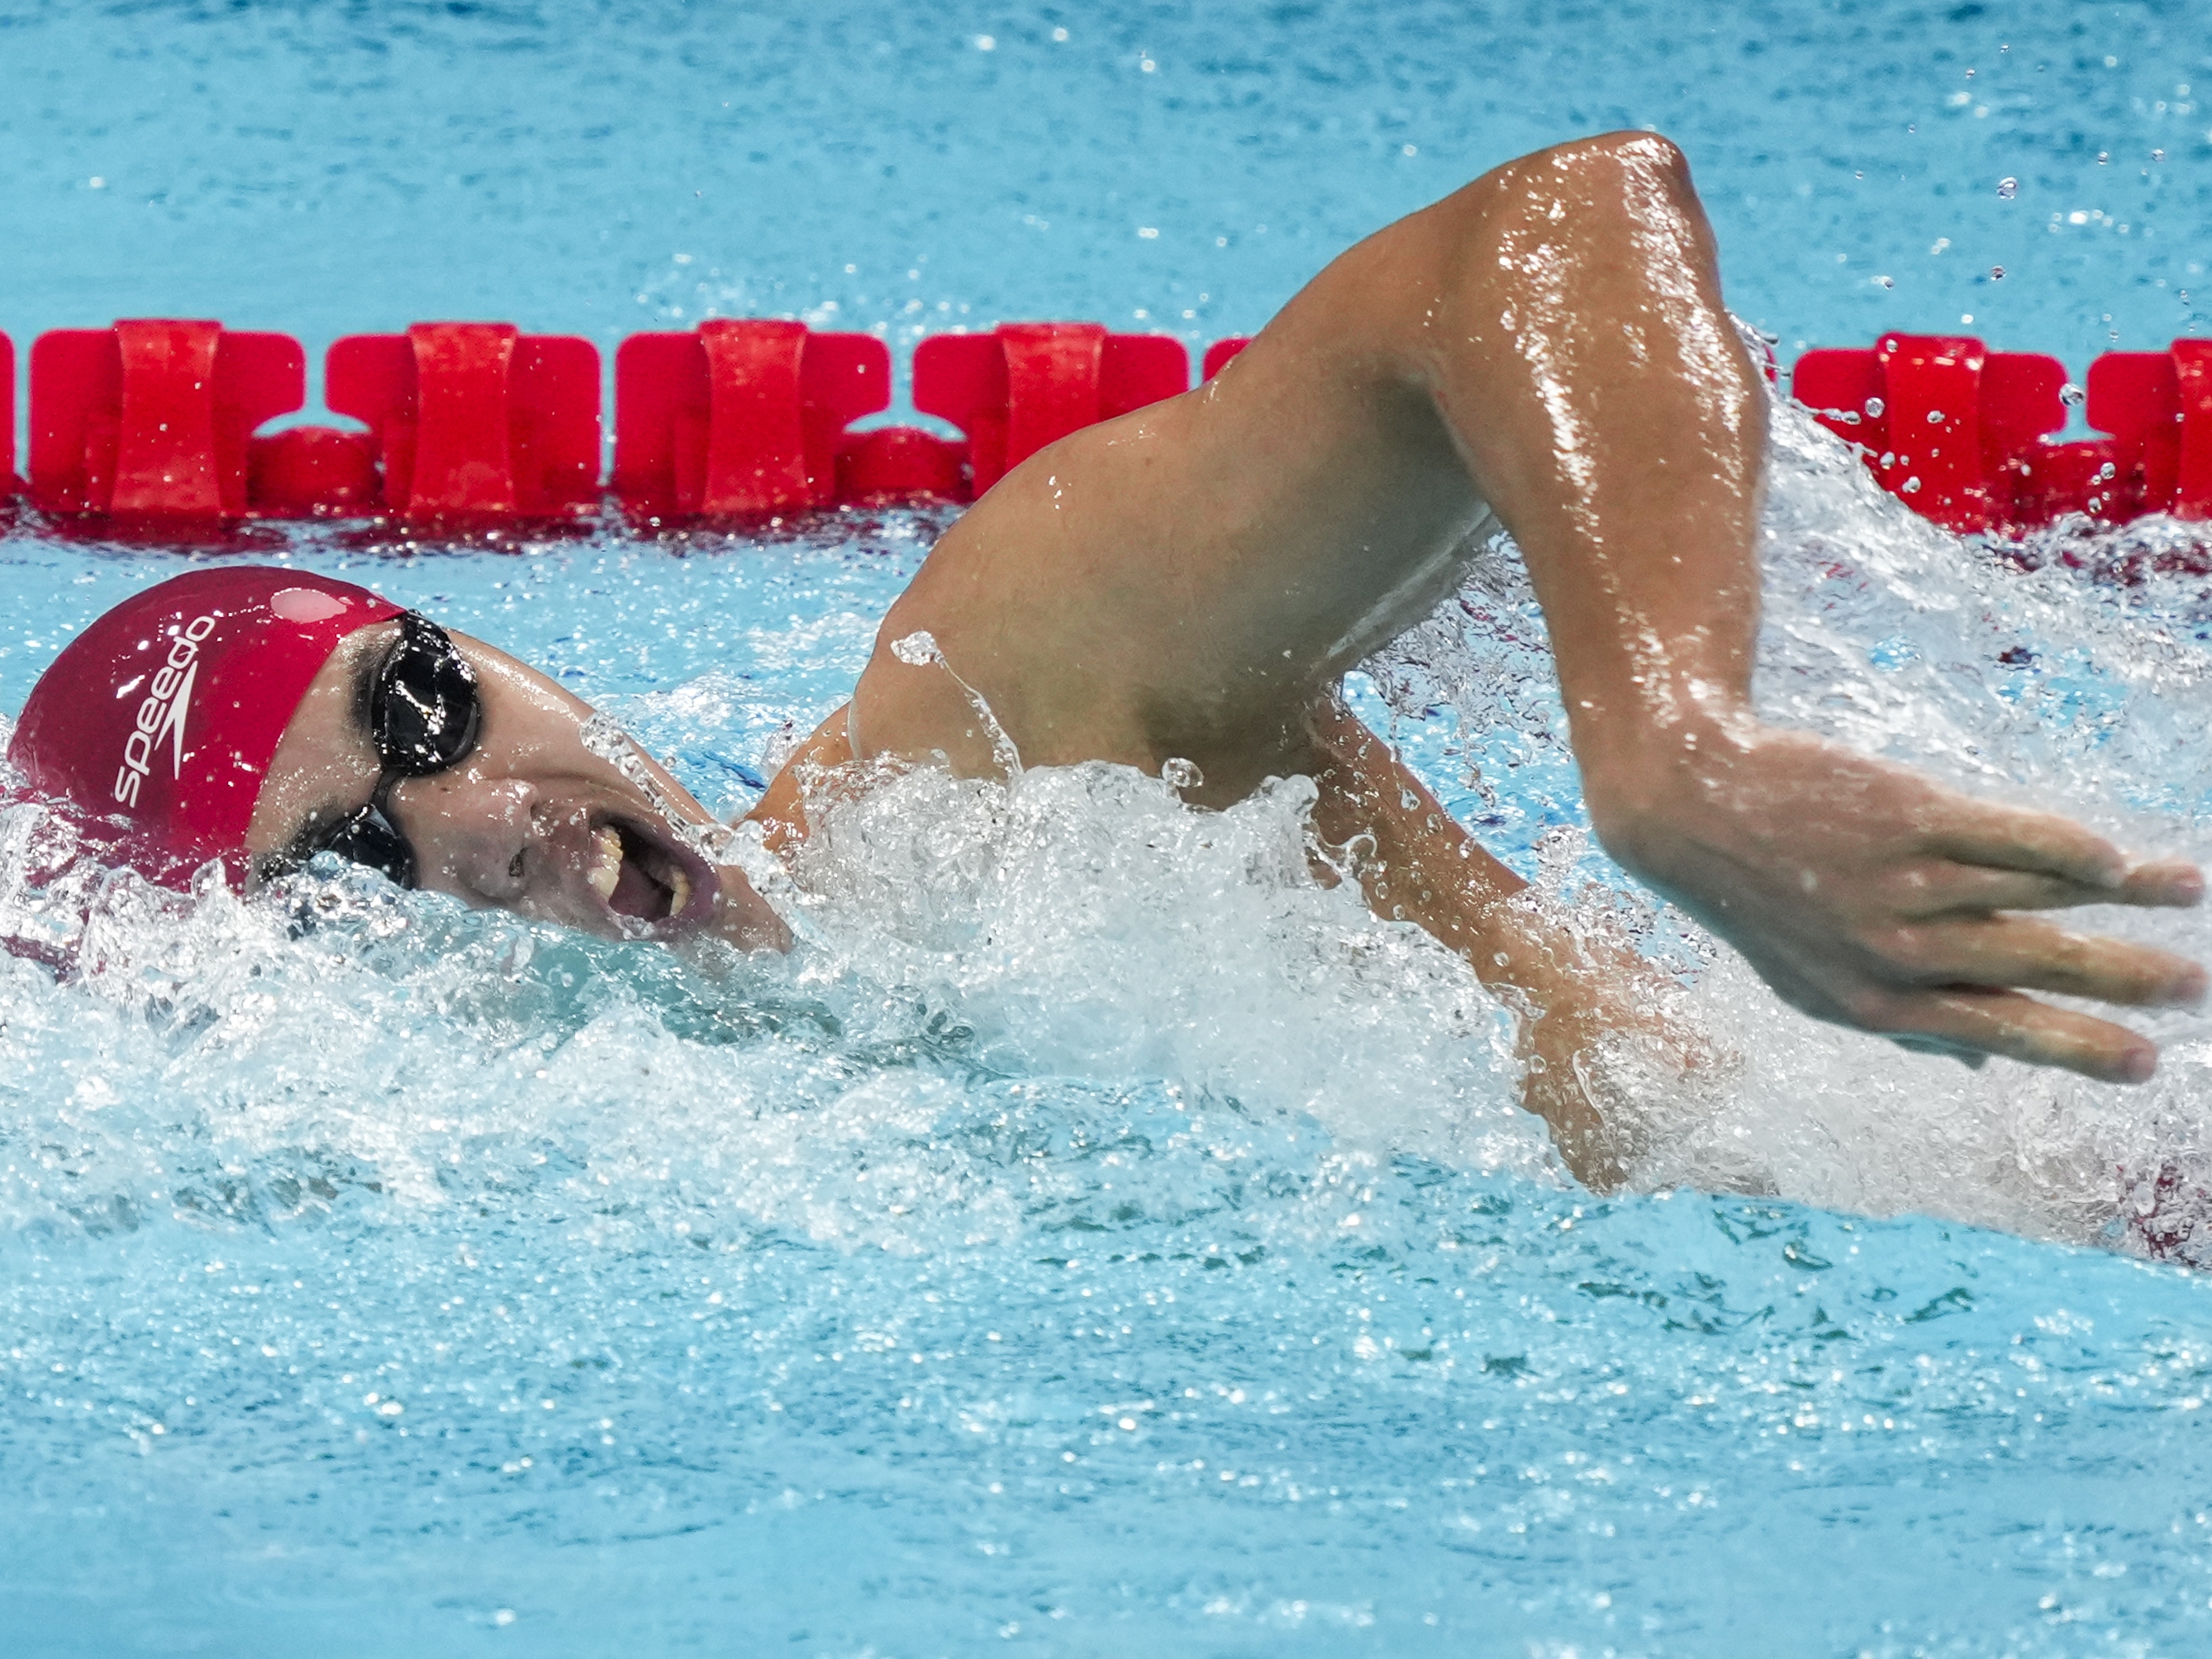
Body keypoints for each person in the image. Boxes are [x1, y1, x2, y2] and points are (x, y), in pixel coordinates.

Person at [10, 132, 2204, 1189]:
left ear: (487, 639)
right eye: (349, 872)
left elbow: (1561, 221)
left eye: (420, 710)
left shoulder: (984, 739)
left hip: (2087, 1126)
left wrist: (1671, 745)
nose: (475, 824)